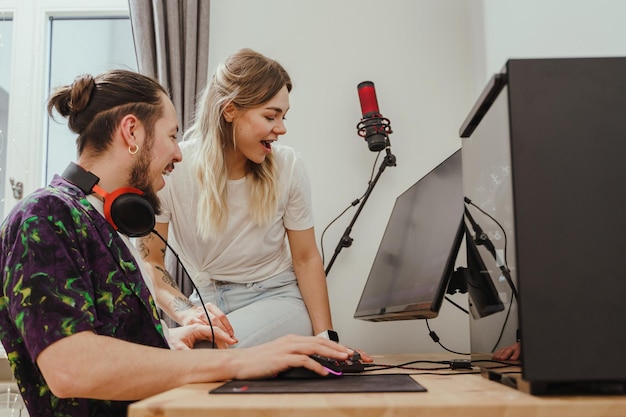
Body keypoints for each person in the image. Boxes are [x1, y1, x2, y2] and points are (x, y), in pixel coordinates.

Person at [0, 69, 355, 417]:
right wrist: (238, 360)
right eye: (171, 136)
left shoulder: (100, 224)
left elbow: (105, 340)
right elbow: (70, 369)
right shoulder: (44, 215)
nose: (179, 153)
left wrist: (168, 340)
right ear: (131, 131)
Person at [138, 48, 368, 356]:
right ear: (230, 110)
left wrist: (326, 339)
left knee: (195, 358)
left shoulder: (288, 166)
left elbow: (306, 258)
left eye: (283, 117)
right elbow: (150, 260)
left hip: (275, 300)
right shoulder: (173, 167)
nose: (282, 128)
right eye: (270, 116)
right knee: (151, 353)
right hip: (204, 301)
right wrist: (187, 312)